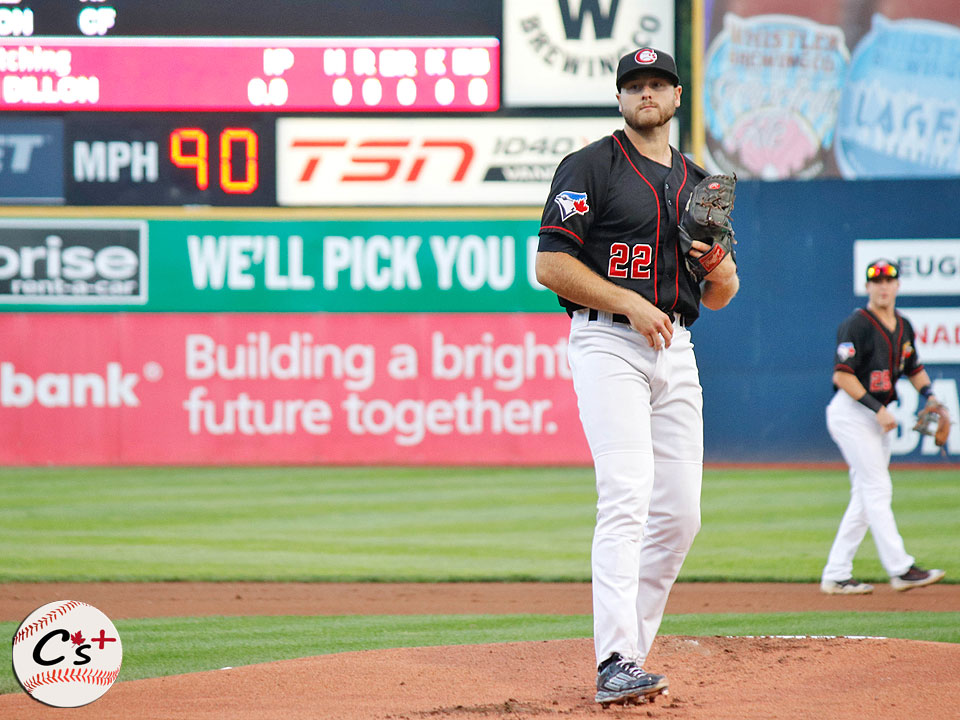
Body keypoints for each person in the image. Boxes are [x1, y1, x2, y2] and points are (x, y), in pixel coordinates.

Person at [535, 48, 739, 706]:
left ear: (676, 96)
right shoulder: (589, 166)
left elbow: (722, 293)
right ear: (620, 98)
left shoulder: (700, 182)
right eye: (634, 85)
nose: (646, 93)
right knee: (627, 495)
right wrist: (628, 301)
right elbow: (550, 266)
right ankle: (614, 658)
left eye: (657, 84)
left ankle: (631, 657)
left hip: (675, 345)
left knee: (680, 516)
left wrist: (719, 268)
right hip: (607, 341)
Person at [820, 259, 946, 595]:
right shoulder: (856, 325)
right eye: (877, 281)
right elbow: (842, 376)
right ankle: (900, 568)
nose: (883, 286)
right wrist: (877, 409)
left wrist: (930, 396)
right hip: (852, 413)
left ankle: (836, 573)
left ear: (897, 285)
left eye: (889, 280)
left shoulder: (904, 325)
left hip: (877, 417)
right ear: (868, 287)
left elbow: (914, 367)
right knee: (877, 488)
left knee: (865, 497)